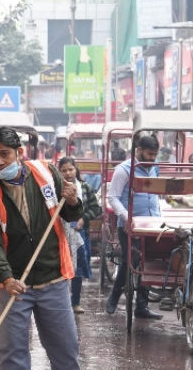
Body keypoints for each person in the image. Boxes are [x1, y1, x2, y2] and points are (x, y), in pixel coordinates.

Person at [0, 127, 87, 370]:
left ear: (20, 153)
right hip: (14, 285)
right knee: (13, 353)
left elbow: (71, 212)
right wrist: (6, 276)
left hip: (52, 279)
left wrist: (73, 199)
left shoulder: (45, 172)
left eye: (4, 154)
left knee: (65, 350)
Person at [105, 135, 163, 320]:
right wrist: (126, 218)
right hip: (129, 224)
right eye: (149, 154)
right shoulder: (123, 170)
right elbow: (112, 197)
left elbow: (156, 193)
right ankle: (115, 295)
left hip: (153, 223)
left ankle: (142, 306)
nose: (153, 158)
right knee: (130, 260)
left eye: (155, 154)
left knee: (149, 262)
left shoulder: (155, 167)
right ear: (139, 150)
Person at [56, 157, 100, 313]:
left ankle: (75, 302)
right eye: (64, 170)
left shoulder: (86, 188)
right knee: (59, 268)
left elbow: (96, 209)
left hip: (81, 235)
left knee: (77, 270)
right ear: (59, 172)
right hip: (60, 235)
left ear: (76, 170)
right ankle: (60, 302)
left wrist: (83, 218)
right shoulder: (56, 189)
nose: (68, 173)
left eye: (71, 169)